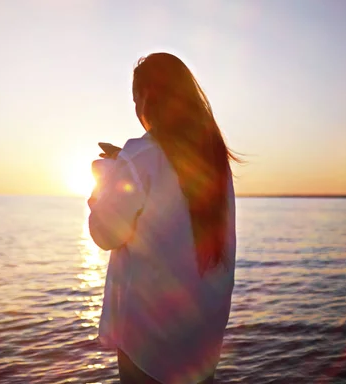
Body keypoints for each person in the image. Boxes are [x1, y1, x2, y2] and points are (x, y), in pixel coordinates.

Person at [87, 52, 240, 384]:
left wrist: (107, 180)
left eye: (135, 99)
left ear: (147, 97)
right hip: (200, 347)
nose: (136, 109)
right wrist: (124, 166)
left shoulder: (140, 155)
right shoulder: (214, 160)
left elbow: (105, 234)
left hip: (149, 349)